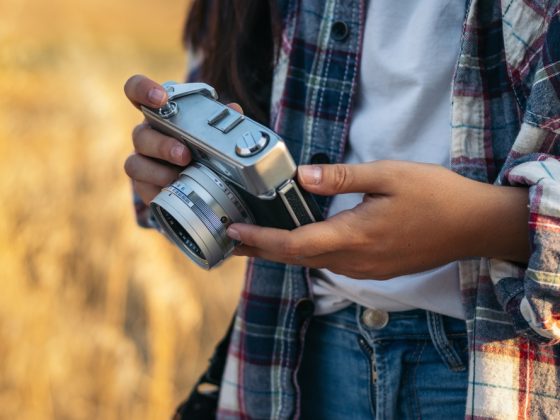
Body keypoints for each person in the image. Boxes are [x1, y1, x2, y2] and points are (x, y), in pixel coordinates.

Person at [124, 0, 560, 418]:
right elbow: (225, 103)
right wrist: (177, 160)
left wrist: (485, 225)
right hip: (297, 352)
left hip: (506, 364)